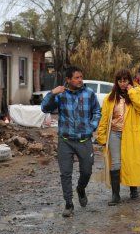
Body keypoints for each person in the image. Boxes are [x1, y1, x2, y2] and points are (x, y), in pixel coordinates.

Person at [41, 66, 101, 218]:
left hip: (84, 139)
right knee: (65, 173)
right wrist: (52, 93)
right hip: (65, 140)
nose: (80, 80)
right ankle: (68, 204)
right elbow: (44, 108)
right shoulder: (60, 96)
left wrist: (92, 126)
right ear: (68, 80)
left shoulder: (89, 94)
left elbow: (97, 111)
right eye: (76, 78)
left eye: (81, 77)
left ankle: (81, 189)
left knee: (87, 171)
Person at [96, 69, 140, 205]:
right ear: (117, 82)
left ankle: (133, 188)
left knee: (131, 162)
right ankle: (115, 195)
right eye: (120, 81)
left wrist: (132, 91)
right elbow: (105, 118)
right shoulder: (110, 98)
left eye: (125, 80)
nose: (122, 83)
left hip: (131, 134)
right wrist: (101, 136)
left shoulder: (138, 93)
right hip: (114, 133)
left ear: (129, 81)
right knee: (116, 163)